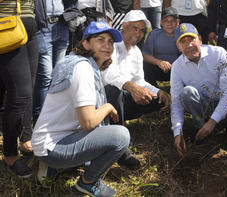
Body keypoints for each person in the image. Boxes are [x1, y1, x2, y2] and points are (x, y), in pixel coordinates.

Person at [31, 21, 129, 197]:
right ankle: (88, 183)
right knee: (121, 136)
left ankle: (52, 167)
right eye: (100, 39)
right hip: (54, 146)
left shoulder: (74, 61)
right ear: (85, 43)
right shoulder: (83, 68)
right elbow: (89, 122)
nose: (107, 45)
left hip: (50, 140)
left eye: (110, 41)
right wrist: (107, 107)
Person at [171, 23, 227, 157]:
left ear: (200, 39)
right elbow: (176, 102)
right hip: (203, 106)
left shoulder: (218, 54)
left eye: (191, 39)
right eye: (183, 42)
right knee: (187, 92)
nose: (188, 45)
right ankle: (200, 127)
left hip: (225, 103)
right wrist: (178, 133)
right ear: (178, 47)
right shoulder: (177, 67)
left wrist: (212, 122)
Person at [102, 10, 170, 168]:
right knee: (115, 90)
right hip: (102, 97)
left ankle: (115, 120)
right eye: (134, 28)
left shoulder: (136, 53)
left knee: (156, 100)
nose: (138, 33)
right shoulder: (110, 45)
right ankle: (121, 147)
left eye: (141, 30)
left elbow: (140, 80)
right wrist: (131, 86)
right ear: (124, 26)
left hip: (121, 98)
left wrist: (159, 91)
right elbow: (107, 75)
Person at [0, 0, 38, 177]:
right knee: (20, 94)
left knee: (28, 90)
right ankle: (10, 154)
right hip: (6, 24)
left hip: (28, 24)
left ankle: (25, 139)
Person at [33, 0, 75, 124]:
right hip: (42, 27)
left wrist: (70, 13)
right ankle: (40, 122)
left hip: (62, 24)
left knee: (59, 76)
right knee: (45, 76)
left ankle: (56, 121)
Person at [142, 7, 180, 86]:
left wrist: (176, 65)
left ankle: (181, 89)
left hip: (178, 69)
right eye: (166, 21)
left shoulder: (182, 35)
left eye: (172, 21)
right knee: (145, 65)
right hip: (159, 68)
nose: (169, 24)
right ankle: (153, 91)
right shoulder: (154, 34)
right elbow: (145, 55)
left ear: (177, 22)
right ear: (161, 22)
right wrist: (159, 62)